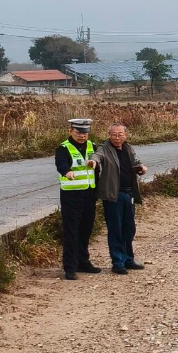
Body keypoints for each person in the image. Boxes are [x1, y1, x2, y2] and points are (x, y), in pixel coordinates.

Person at [90, 123, 148, 275]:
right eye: (114, 134)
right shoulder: (104, 148)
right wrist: (93, 162)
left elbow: (135, 163)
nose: (117, 137)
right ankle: (118, 262)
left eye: (120, 134)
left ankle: (128, 259)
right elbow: (97, 156)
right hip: (113, 195)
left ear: (125, 135)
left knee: (129, 228)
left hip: (129, 194)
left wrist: (141, 168)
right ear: (109, 134)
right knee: (115, 228)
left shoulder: (128, 148)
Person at [55, 118, 101, 281]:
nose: (82, 136)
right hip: (72, 196)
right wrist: (67, 172)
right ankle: (70, 267)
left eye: (85, 133)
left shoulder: (92, 146)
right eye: (79, 132)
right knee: (72, 232)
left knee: (86, 231)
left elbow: (98, 166)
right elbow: (61, 165)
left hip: (89, 194)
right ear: (71, 132)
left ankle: (83, 262)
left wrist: (96, 164)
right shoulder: (63, 148)